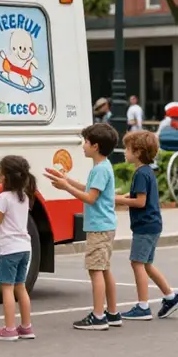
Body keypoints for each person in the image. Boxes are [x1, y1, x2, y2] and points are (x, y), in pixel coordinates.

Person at [45, 122, 120, 330]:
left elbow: (90, 198)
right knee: (104, 269)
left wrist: (65, 187)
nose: (83, 145)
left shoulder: (99, 170)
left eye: (86, 142)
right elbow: (90, 189)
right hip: (105, 225)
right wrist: (66, 179)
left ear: (95, 146)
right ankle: (112, 313)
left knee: (95, 270)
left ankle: (98, 316)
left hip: (99, 227)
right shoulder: (103, 166)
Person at [114, 131, 178, 320]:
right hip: (152, 224)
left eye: (127, 148)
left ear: (139, 152)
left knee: (137, 263)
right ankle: (170, 296)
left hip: (145, 226)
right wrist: (127, 196)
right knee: (147, 264)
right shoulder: (146, 171)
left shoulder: (141, 173)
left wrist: (117, 199)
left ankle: (143, 306)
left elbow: (141, 202)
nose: (124, 152)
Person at [0, 155, 37, 341]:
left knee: (7, 289)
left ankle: (9, 329)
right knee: (21, 287)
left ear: (5, 177)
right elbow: (5, 213)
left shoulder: (3, 197)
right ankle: (26, 327)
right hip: (24, 248)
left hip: (9, 250)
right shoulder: (23, 197)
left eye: (0, 171)